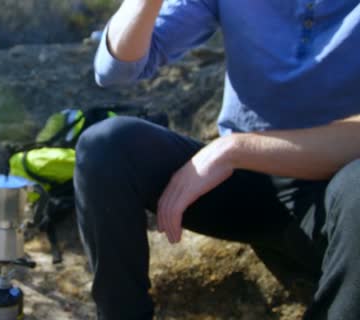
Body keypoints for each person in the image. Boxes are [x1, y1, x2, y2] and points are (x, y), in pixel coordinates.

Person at [74, 1, 360, 319]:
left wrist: (233, 150)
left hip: (337, 191)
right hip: (244, 186)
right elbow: (115, 69)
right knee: (106, 147)